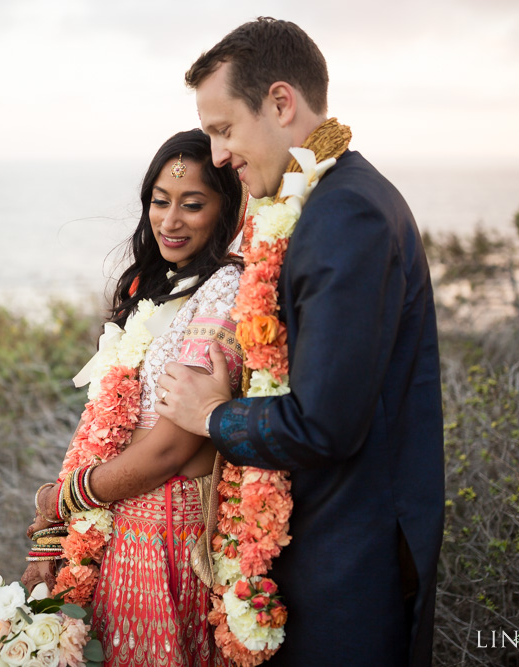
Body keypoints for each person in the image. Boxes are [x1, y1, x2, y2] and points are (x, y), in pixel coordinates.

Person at [154, 18, 445, 667]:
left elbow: (324, 424)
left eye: (224, 129)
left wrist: (210, 415)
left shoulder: (348, 215)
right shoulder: (319, 204)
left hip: (347, 572)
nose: (220, 154)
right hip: (322, 556)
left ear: (281, 103)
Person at [22, 129, 247, 666]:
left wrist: (65, 499)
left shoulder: (225, 289)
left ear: (228, 209)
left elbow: (172, 445)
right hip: (123, 520)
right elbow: (113, 419)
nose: (170, 221)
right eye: (159, 202)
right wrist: (60, 524)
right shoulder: (161, 284)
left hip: (168, 533)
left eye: (192, 205)